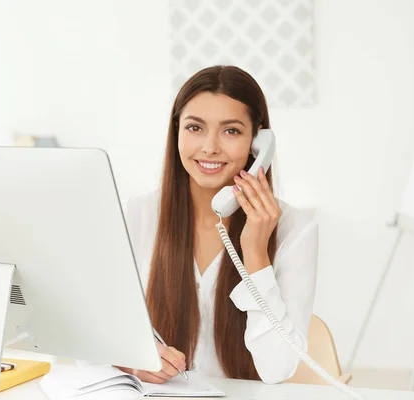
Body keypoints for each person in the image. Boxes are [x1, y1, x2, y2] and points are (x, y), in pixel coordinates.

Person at [119, 65, 318, 385]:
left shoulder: (295, 229)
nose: (210, 147)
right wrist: (129, 362)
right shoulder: (133, 215)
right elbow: (92, 333)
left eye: (231, 131)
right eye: (195, 128)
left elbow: (277, 368)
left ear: (259, 142)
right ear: (177, 132)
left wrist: (255, 253)